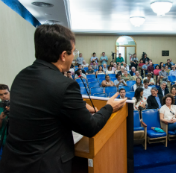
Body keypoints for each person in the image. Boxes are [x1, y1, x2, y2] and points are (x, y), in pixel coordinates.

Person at [0, 24, 127, 173]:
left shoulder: (20, 76)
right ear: (63, 55)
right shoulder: (65, 85)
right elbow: (90, 127)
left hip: (12, 162)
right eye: (73, 52)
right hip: (44, 166)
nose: (74, 56)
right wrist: (109, 107)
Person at [0, 84, 10, 159]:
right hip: (2, 140)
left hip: (15, 141)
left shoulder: (17, 105)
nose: (3, 96)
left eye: (5, 93)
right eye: (1, 94)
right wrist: (0, 118)